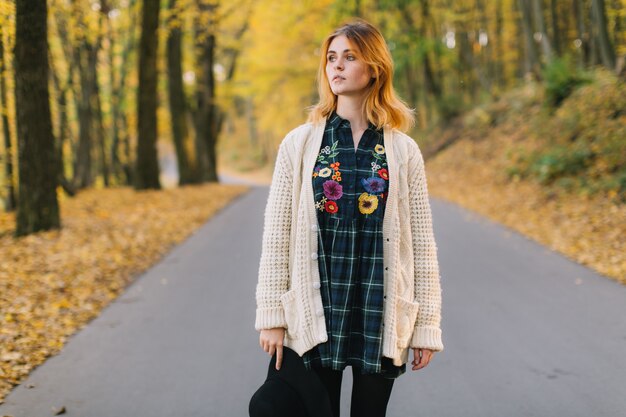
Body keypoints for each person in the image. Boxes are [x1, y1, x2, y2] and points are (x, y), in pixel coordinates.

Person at [254, 18, 444, 417]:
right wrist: (272, 316)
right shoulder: (300, 143)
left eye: (350, 57)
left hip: (379, 309)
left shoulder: (404, 151)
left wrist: (426, 325)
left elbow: (422, 245)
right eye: (331, 58)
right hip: (318, 310)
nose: (336, 66)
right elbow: (277, 235)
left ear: (374, 68)